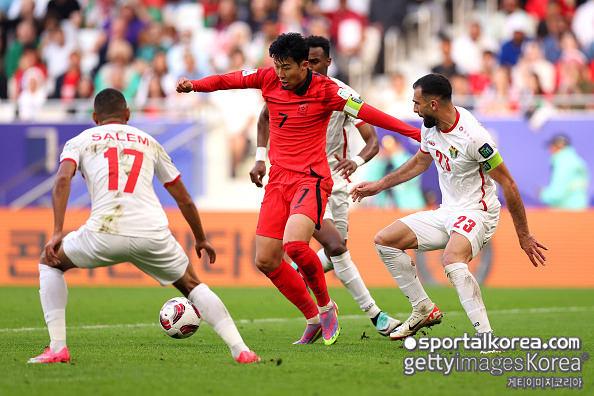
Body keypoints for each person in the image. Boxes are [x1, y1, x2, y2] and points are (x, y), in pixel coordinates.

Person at [176, 32, 420, 345]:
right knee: (265, 260)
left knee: (296, 246)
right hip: (279, 180)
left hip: (312, 179)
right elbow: (229, 80)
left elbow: (372, 114)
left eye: (287, 67)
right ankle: (313, 317)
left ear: (305, 65)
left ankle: (327, 305)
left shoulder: (329, 91)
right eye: (277, 66)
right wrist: (194, 85)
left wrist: (414, 133)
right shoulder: (269, 79)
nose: (280, 74)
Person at [28, 88, 259, 365]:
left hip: (103, 232)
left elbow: (63, 180)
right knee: (191, 284)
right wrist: (200, 238)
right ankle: (241, 349)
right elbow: (183, 198)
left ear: (94, 117)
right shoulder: (149, 141)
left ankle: (57, 348)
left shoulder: (80, 140)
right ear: (127, 114)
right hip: (152, 233)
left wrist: (57, 231)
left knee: (50, 262)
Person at [351, 73, 547, 340]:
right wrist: (379, 185)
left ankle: (486, 338)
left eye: (417, 103)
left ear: (433, 104)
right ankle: (423, 308)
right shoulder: (430, 128)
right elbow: (421, 161)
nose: (413, 109)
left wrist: (523, 234)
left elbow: (509, 184)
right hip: (448, 211)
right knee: (385, 240)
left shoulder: (475, 137)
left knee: (452, 261)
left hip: (478, 211)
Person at [252, 35, 402, 338]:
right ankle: (376, 315)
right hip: (306, 182)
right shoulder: (287, 88)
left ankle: (302, 282)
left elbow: (372, 141)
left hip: (336, 183)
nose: (312, 69)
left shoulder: (341, 94)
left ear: (327, 62)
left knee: (335, 248)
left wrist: (356, 163)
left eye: (317, 62)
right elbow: (264, 119)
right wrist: (260, 157)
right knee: (335, 246)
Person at [540, 134, 589, 209]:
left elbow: (557, 194)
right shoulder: (579, 162)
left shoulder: (562, 163)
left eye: (552, 146)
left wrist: (543, 194)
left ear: (559, 146)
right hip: (581, 211)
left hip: (565, 213)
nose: (550, 149)